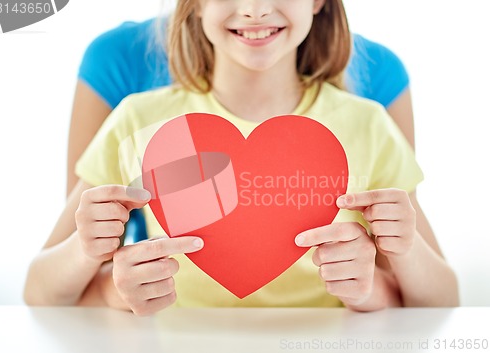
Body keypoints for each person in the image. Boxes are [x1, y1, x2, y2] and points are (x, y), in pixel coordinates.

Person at [24, 0, 458, 315]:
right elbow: (38, 291)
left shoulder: (368, 125)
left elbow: (445, 298)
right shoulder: (138, 119)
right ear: (192, 5)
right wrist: (86, 255)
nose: (254, 9)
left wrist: (394, 263)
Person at [66, 16, 415, 244]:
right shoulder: (134, 101)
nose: (254, 9)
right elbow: (81, 243)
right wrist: (116, 291)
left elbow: (402, 254)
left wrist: (372, 292)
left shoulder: (370, 106)